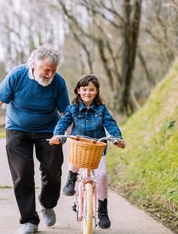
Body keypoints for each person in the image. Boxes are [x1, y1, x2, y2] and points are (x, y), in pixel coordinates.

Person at [0, 44, 70, 234]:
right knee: (22, 174)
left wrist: (66, 135)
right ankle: (29, 220)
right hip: (17, 130)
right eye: (46, 70)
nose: (50, 74)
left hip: (49, 130)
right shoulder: (17, 75)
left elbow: (66, 113)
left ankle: (47, 204)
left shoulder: (58, 82)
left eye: (54, 70)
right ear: (32, 65)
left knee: (53, 171)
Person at [49, 74, 125, 229]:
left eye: (91, 89)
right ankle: (71, 178)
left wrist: (117, 138)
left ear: (96, 91)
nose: (87, 93)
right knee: (75, 157)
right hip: (79, 145)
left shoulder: (102, 110)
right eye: (84, 89)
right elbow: (63, 122)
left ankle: (102, 211)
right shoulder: (72, 109)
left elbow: (110, 124)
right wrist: (57, 135)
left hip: (97, 148)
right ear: (78, 90)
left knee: (102, 175)